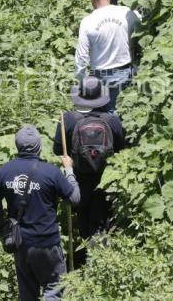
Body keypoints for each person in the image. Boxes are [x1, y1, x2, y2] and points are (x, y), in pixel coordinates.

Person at [0, 125, 80, 301]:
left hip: (20, 243)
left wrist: (1, 230)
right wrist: (68, 170)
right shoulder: (51, 172)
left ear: (17, 145)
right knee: (53, 288)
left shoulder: (5, 171)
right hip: (48, 243)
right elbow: (74, 198)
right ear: (39, 146)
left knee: (27, 294)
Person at [53, 76, 124, 245]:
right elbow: (122, 148)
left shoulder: (69, 119)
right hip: (106, 177)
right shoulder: (111, 120)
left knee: (83, 215)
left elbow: (58, 150)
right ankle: (104, 252)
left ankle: (88, 250)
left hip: (79, 176)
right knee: (104, 218)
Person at [75, 0, 139, 112]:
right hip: (124, 72)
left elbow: (81, 56)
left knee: (100, 115)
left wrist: (81, 81)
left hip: (99, 75)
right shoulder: (126, 13)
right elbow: (139, 27)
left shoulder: (87, 22)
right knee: (123, 112)